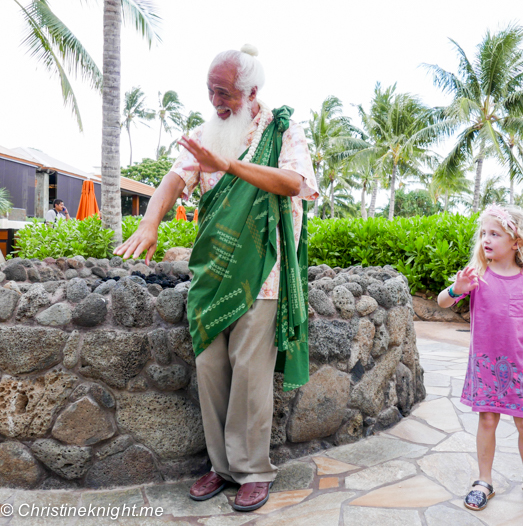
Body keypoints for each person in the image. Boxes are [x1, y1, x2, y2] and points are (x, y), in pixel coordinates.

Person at [114, 44, 318, 512]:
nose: (215, 101)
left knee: (250, 373)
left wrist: (228, 166)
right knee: (210, 371)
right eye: (210, 91)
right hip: (212, 273)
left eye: (223, 92)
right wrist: (149, 223)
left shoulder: (283, 130)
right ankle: (221, 468)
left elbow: (294, 183)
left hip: (261, 274)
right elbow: (172, 180)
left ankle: (253, 471)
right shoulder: (206, 132)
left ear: (250, 92)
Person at [437, 205, 523, 515]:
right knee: (487, 420)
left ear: (516, 242)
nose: (486, 239)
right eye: (483, 233)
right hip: (485, 365)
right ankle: (483, 481)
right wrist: (457, 288)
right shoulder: (477, 275)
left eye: (494, 233)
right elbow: (443, 302)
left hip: (519, 367)